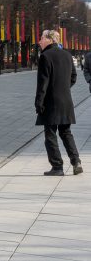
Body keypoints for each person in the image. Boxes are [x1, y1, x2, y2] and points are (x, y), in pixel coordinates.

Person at [35, 29, 82, 176]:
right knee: (66, 132)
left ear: (50, 40)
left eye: (42, 38)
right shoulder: (67, 55)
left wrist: (39, 103)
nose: (39, 41)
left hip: (50, 102)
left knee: (50, 134)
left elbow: (43, 83)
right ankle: (76, 162)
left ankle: (57, 166)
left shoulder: (45, 56)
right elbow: (74, 77)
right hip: (66, 101)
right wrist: (63, 88)